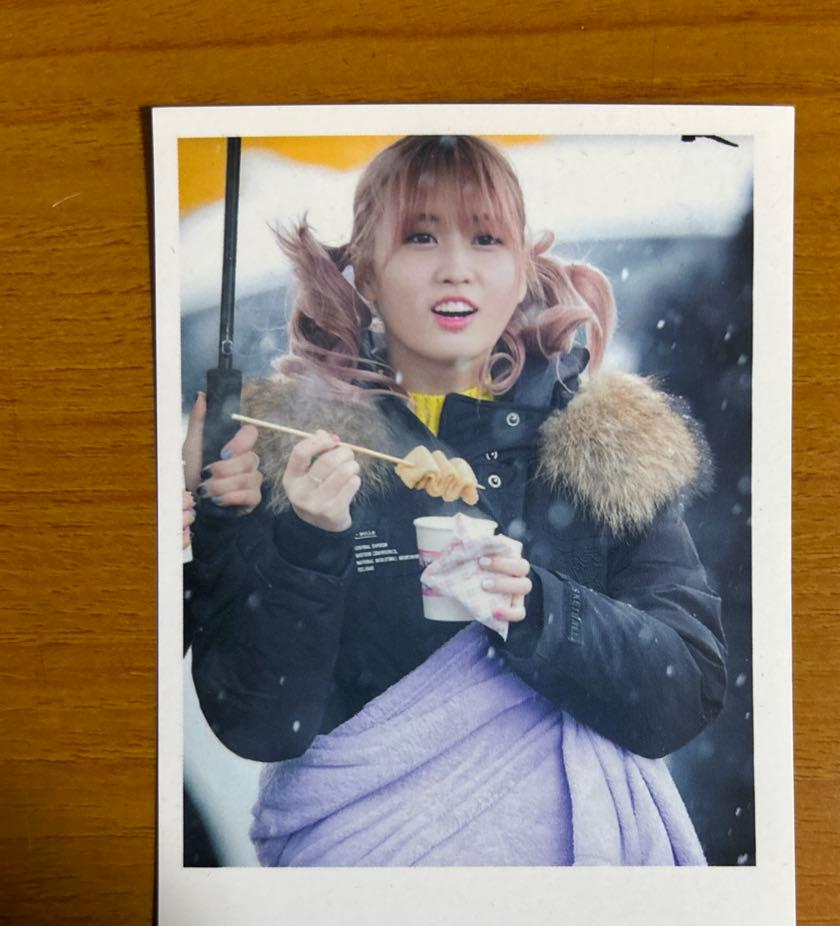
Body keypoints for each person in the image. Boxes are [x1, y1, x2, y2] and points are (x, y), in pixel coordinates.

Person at [187, 135, 727, 867]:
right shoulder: (281, 453)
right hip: (371, 894)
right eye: (420, 237)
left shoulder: (603, 444)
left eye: (485, 238)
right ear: (366, 272)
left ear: (520, 267)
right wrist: (309, 541)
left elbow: (686, 689)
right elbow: (258, 725)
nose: (456, 268)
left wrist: (538, 608)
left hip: (578, 899)